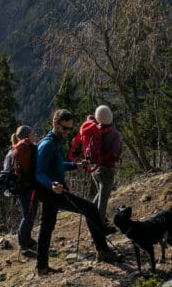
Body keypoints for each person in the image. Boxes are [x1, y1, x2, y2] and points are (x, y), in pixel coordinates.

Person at [34, 109, 120, 275]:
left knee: (46, 227)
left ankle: (42, 266)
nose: (67, 132)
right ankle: (102, 250)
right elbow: (39, 172)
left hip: (52, 191)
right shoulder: (46, 145)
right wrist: (52, 184)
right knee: (90, 209)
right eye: (64, 128)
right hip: (53, 191)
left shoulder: (54, 143)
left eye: (69, 129)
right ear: (55, 124)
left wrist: (76, 165)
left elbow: (58, 166)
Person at [2, 125, 39, 251]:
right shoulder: (21, 151)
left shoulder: (14, 151)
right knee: (28, 214)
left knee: (30, 213)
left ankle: (26, 239)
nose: (34, 135)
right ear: (27, 136)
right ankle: (23, 241)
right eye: (32, 133)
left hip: (21, 187)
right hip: (25, 187)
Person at [91, 105, 122, 224]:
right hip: (107, 170)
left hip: (95, 168)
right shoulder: (114, 134)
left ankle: (91, 214)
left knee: (100, 195)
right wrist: (120, 143)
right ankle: (99, 226)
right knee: (103, 200)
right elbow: (116, 154)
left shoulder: (95, 130)